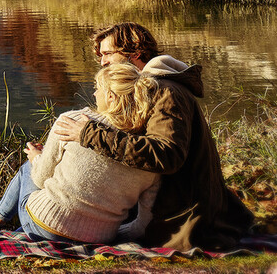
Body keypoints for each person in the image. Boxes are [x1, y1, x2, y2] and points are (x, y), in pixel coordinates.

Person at [50, 22, 253, 251]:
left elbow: (166, 154)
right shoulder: (152, 87)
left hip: (179, 218)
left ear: (135, 53)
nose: (102, 62)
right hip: (168, 206)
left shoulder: (165, 91)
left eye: (107, 54)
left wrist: (89, 133)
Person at [0, 63, 162, 244]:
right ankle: (0, 223)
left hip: (46, 225)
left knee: (29, 167)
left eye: (97, 89)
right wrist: (110, 235)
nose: (94, 94)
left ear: (111, 97)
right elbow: (142, 226)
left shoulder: (72, 121)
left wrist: (36, 158)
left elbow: (40, 178)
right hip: (99, 239)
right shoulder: (150, 153)